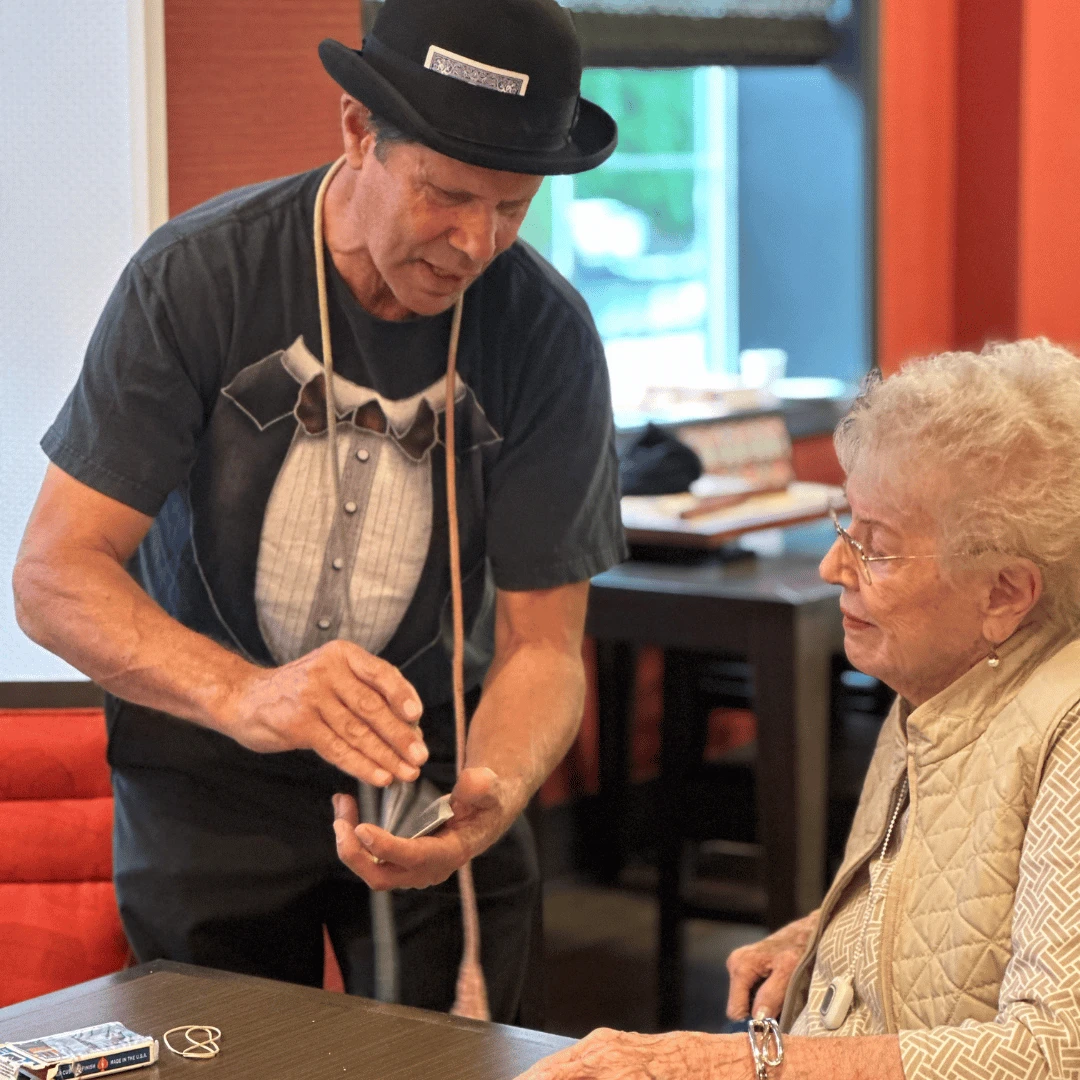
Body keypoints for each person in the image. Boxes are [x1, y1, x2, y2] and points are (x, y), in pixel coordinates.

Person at [12, 0, 626, 1022]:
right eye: (445, 194)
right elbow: (54, 575)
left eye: (511, 208)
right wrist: (247, 695)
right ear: (355, 131)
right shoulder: (197, 279)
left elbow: (544, 647)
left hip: (431, 765)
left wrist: (493, 792)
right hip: (205, 758)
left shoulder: (545, 334)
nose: (474, 243)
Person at [517, 338, 1080, 1079]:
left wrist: (730, 1063)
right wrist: (826, 938)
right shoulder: (942, 681)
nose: (831, 565)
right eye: (848, 528)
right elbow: (971, 910)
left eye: (876, 548)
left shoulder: (1068, 734)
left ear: (1005, 592)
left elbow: (1055, 1048)